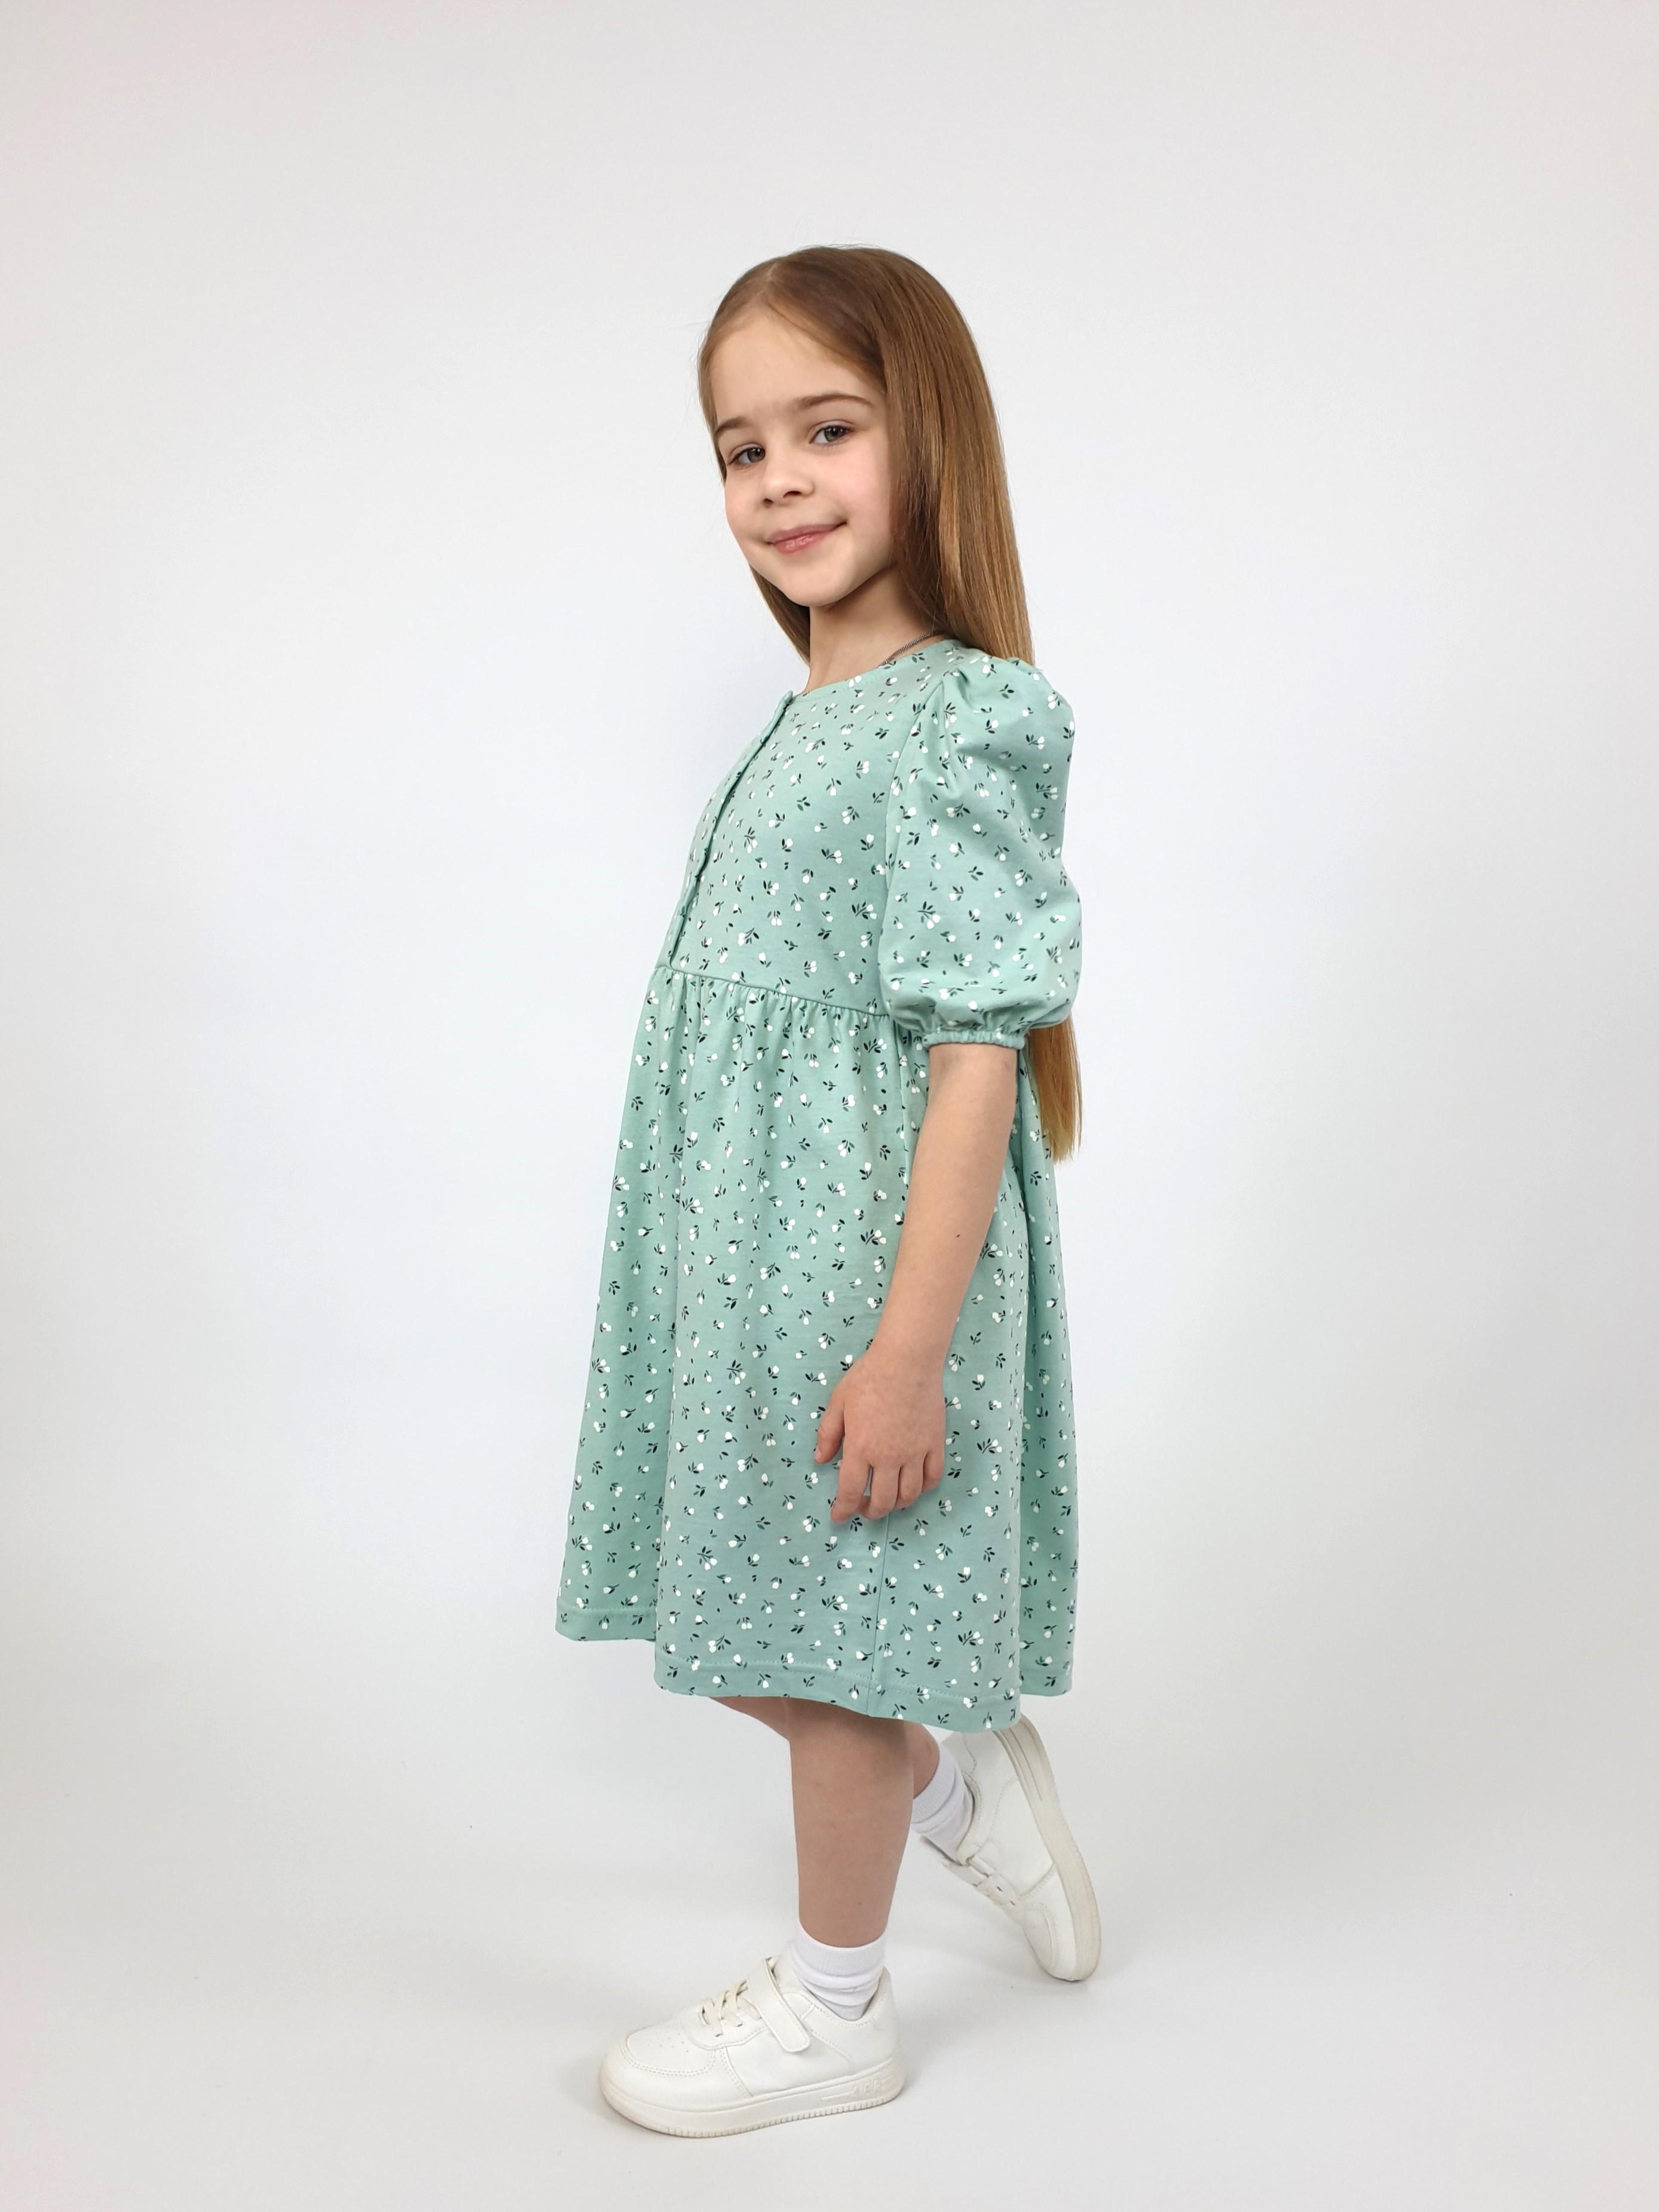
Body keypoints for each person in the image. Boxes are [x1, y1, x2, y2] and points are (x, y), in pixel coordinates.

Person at [555, 244, 1096, 2136]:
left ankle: (838, 2008)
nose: (779, 479)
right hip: (746, 1259)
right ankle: (957, 1789)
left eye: (829, 429)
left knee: (825, 1637)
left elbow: (975, 1058)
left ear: (928, 436)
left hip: (865, 1270)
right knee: (725, 1601)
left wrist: (911, 1349)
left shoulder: (965, 714)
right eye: (741, 447)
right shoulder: (805, 712)